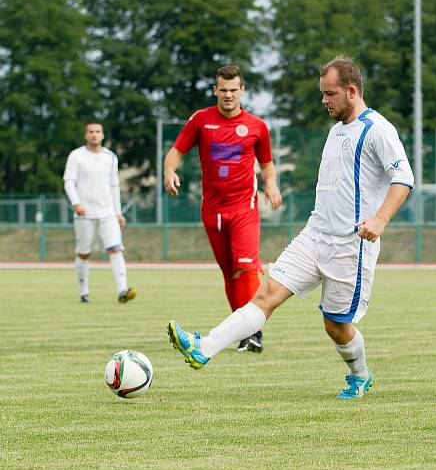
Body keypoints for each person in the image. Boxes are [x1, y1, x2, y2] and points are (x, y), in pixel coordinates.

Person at [166, 56, 414, 399]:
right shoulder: (337, 129)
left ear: (352, 91)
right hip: (315, 235)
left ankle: (360, 374)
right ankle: (203, 347)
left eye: (329, 94)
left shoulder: (378, 129)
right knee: (265, 295)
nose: (323, 100)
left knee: (336, 326)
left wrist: (380, 220)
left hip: (350, 245)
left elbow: (403, 177)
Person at [163, 65, 282, 354]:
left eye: (233, 90)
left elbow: (267, 165)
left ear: (242, 91)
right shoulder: (201, 120)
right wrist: (169, 172)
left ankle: (255, 333)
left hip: (244, 207)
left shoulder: (257, 126)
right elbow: (176, 151)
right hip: (212, 209)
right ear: (215, 90)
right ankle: (243, 332)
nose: (228, 95)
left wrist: (271, 184)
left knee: (245, 266)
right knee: (230, 273)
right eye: (223, 90)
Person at [63, 123, 136, 304]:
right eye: (91, 132)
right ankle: (84, 292)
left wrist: (118, 212)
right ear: (85, 135)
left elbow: (114, 185)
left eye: (97, 132)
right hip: (85, 213)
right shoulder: (76, 155)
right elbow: (69, 181)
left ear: (102, 135)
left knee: (115, 248)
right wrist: (76, 203)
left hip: (108, 212)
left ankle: (122, 290)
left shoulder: (110, 157)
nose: (94, 135)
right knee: (84, 252)